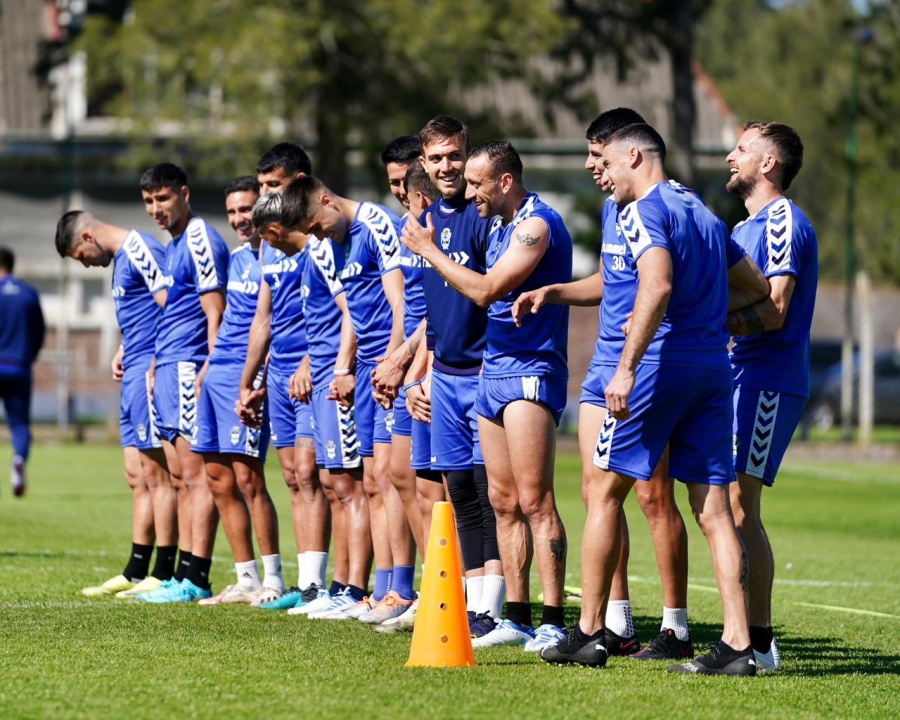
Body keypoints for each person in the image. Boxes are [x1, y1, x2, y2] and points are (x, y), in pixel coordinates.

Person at [540, 123, 769, 675]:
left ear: (635, 157)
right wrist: (705, 316)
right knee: (714, 509)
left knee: (603, 494)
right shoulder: (703, 213)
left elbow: (657, 284)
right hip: (711, 369)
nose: (602, 173)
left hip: (659, 369)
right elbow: (756, 285)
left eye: (607, 162)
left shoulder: (644, 210)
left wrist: (625, 368)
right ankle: (740, 645)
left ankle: (590, 633)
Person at [513, 107, 694, 660]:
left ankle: (675, 627)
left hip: (644, 366)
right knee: (598, 494)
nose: (592, 166)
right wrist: (556, 292)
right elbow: (611, 279)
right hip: (603, 367)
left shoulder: (669, 207)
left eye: (598, 155)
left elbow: (669, 283)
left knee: (653, 496)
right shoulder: (615, 208)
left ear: (627, 152)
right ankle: (617, 622)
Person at [401, 140, 571, 652]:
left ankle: (554, 620)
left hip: (529, 369)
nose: (468, 190)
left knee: (535, 500)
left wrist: (429, 250)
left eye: (477, 183)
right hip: (493, 370)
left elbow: (486, 289)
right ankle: (514, 616)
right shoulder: (497, 225)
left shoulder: (536, 225)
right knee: (501, 499)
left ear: (505, 181)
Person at [283, 174, 417, 625]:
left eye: (315, 225)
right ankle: (382, 589)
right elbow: (355, 315)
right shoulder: (335, 243)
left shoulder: (375, 224)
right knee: (376, 480)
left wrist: (395, 362)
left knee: (390, 477)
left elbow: (400, 302)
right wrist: (349, 368)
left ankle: (401, 588)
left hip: (388, 367)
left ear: (326, 199)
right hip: (367, 373)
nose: (317, 236)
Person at [400, 115, 506, 640]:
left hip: (485, 371)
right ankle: (472, 604)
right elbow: (430, 313)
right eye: (436, 158)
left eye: (454, 156)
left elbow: (491, 292)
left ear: (468, 155)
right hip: (443, 376)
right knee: (458, 488)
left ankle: (499, 608)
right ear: (424, 162)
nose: (446, 166)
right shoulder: (422, 223)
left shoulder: (482, 215)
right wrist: (418, 373)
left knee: (491, 493)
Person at [246, 188, 373, 620]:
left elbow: (350, 310)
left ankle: (354, 588)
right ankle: (334, 585)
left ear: (276, 230)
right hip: (317, 377)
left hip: (331, 379)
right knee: (329, 482)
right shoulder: (309, 254)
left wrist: (339, 367)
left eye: (266, 236)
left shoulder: (321, 251)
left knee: (348, 485)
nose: (267, 245)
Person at [725, 121, 818, 672]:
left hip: (768, 381)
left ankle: (758, 645)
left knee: (741, 506)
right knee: (723, 504)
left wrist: (713, 323)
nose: (730, 156)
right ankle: (738, 636)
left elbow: (776, 309)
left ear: (768, 164)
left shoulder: (782, 220)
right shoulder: (743, 228)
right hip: (737, 377)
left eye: (742, 149)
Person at [54, 213, 180, 599]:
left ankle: (164, 570)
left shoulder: (141, 248)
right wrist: (124, 347)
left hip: (150, 375)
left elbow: (172, 305)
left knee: (159, 475)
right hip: (133, 372)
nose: (85, 264)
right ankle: (136, 570)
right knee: (136, 476)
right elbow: (143, 312)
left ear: (88, 236)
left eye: (81, 256)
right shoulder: (122, 259)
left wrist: (158, 358)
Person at [236, 143, 333, 612]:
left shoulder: (320, 242)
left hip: (311, 374)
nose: (264, 194)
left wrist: (312, 362)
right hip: (277, 378)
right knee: (293, 477)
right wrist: (248, 381)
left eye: (272, 185)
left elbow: (340, 311)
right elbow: (264, 319)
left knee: (315, 476)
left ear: (297, 183)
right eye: (260, 186)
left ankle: (320, 585)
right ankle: (303, 583)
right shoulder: (268, 247)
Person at [136, 163, 229, 604]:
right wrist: (156, 360)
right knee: (178, 476)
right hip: (169, 368)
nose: (156, 208)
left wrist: (211, 364)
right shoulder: (173, 245)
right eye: (149, 201)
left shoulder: (199, 239)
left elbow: (216, 311)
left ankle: (197, 576)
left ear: (184, 194)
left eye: (163, 198)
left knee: (195, 476)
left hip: (192, 367)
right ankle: (182, 577)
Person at [193, 177, 285, 606]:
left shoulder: (278, 254)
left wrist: (258, 378)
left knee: (248, 478)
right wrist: (208, 366)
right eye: (231, 212)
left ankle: (274, 580)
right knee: (216, 478)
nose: (238, 219)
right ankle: (245, 579)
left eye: (245, 209)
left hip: (245, 378)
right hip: (216, 375)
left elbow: (272, 322)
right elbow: (231, 319)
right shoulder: (236, 258)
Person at [0, 247, 44, 497]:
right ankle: (18, 459)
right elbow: (39, 332)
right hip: (19, 368)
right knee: (19, 424)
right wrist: (28, 358)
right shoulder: (29, 293)